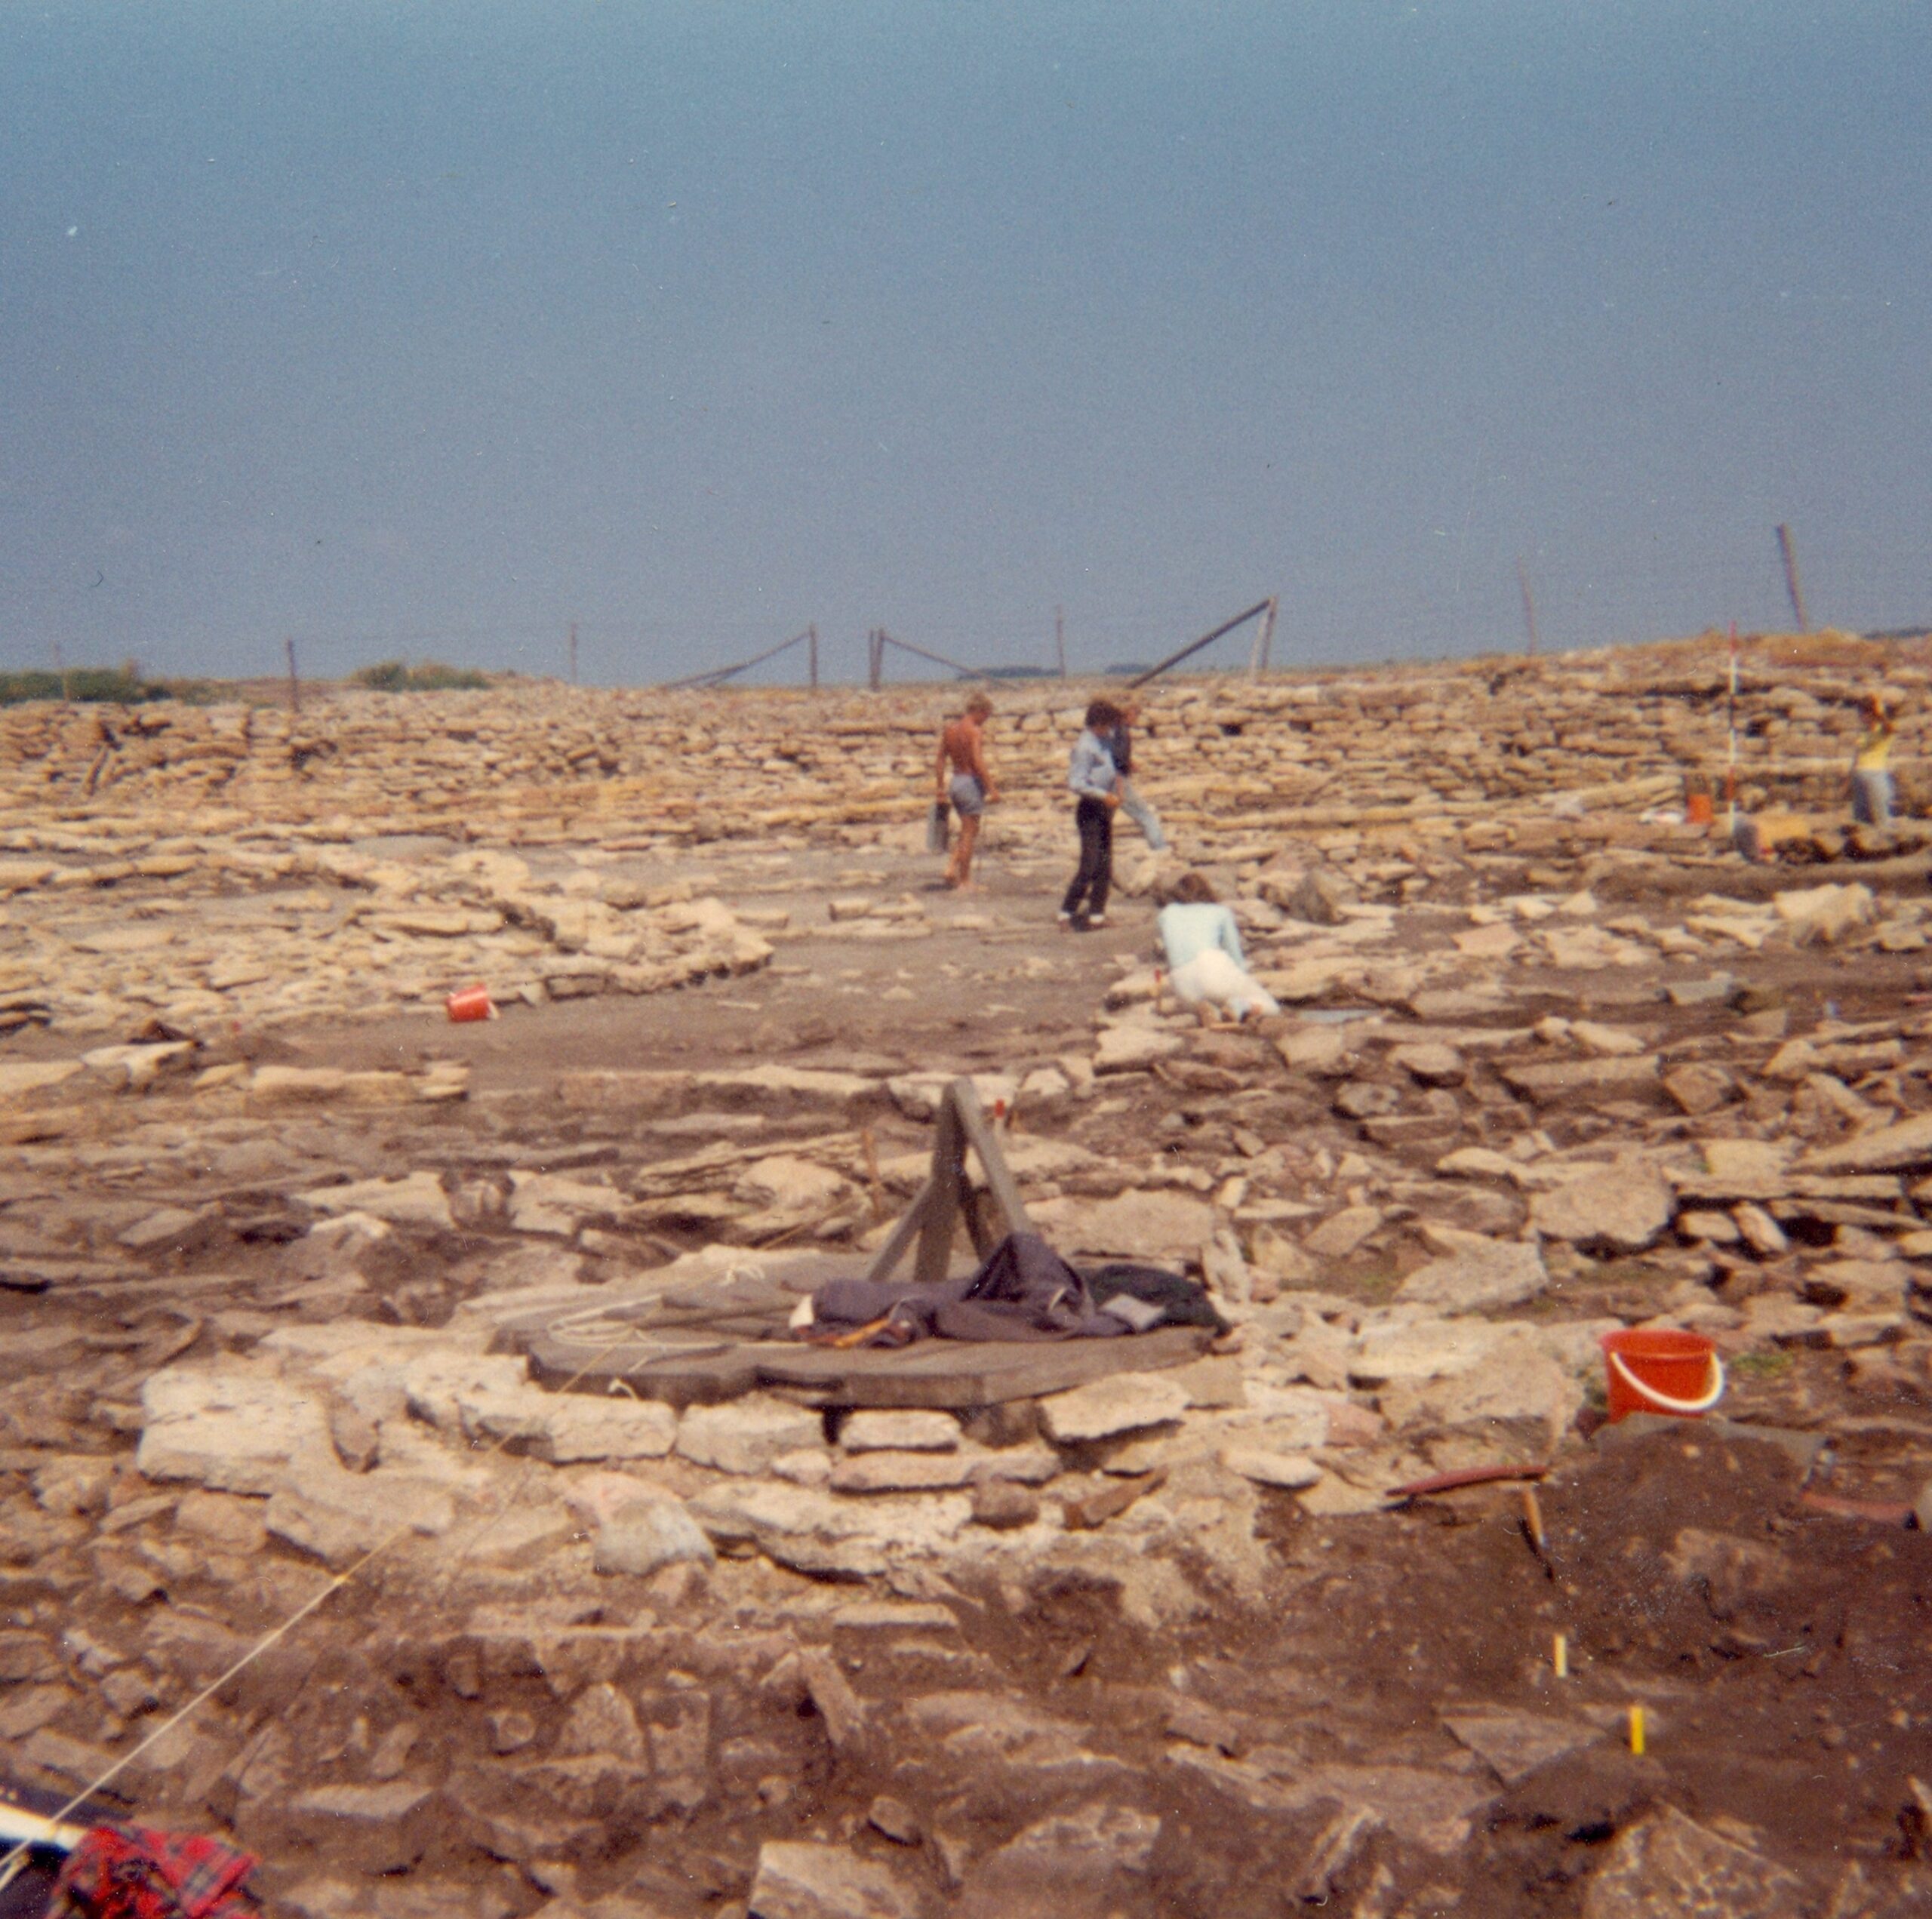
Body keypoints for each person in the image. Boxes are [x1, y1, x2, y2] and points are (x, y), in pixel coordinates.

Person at [1156, 872, 1280, 1021]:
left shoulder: (1166, 914)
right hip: (1211, 969)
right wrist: (1244, 980)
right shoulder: (1220, 912)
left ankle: (1214, 1011)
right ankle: (1240, 1007)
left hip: (1183, 986)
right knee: (1271, 1007)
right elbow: (1236, 957)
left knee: (1210, 998)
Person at [1059, 700, 1121, 930]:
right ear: (1099, 724)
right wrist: (1102, 795)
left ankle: (1097, 914)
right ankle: (1066, 913)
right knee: (1089, 864)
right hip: (1090, 807)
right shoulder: (1085, 747)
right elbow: (1076, 783)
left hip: (1105, 806)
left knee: (1105, 863)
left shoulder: (1105, 739)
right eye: (1108, 724)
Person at [934, 692, 999, 887]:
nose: (985, 720)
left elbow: (940, 759)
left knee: (968, 830)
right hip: (970, 782)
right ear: (979, 711)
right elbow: (977, 761)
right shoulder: (974, 731)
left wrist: (940, 787)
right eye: (986, 716)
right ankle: (965, 881)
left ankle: (951, 867)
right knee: (969, 834)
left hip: (956, 782)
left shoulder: (950, 730)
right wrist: (992, 788)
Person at [1103, 698, 1168, 851]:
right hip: (1117, 781)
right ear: (1128, 714)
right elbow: (1116, 760)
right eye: (1136, 714)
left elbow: (1111, 754)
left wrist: (1129, 763)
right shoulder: (1122, 732)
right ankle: (1160, 848)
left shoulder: (1112, 730)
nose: (1137, 718)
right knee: (1144, 814)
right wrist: (1120, 787)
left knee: (1105, 818)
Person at [1850, 693, 1897, 828]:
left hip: (1875, 775)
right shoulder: (1864, 733)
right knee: (1861, 821)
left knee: (1881, 819)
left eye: (1863, 713)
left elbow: (1891, 728)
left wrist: (1879, 713)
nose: (1861, 717)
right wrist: (1849, 780)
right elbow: (1858, 756)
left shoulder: (1883, 730)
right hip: (1859, 776)